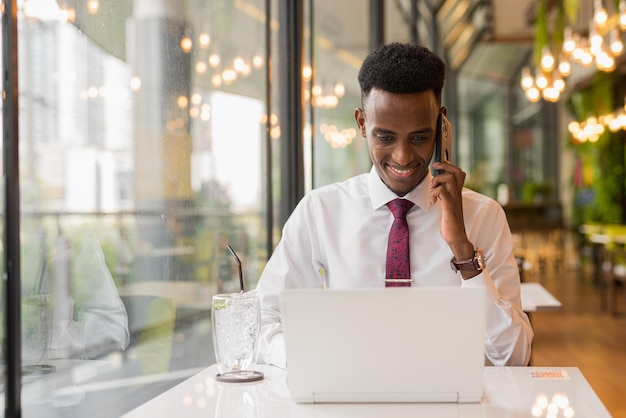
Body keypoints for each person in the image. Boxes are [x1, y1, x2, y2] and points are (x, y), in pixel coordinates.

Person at [255, 42, 533, 368]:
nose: (402, 157)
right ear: (361, 123)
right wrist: (309, 361)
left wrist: (462, 249)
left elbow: (515, 357)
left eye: (419, 137)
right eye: (385, 137)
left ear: (442, 126)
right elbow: (262, 319)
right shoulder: (321, 211)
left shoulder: (483, 215)